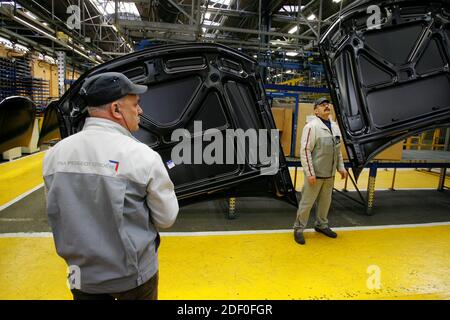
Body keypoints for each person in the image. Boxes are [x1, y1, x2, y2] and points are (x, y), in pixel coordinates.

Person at [43, 72, 179, 299]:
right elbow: (166, 219)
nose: (140, 111)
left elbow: (56, 213)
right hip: (132, 277)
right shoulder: (143, 157)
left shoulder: (54, 156)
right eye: (136, 104)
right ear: (116, 110)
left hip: (80, 276)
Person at [293, 97, 347, 245]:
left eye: (327, 104)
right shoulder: (311, 127)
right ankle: (298, 228)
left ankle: (321, 225)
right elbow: (305, 151)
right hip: (315, 175)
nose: (326, 106)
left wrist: (341, 168)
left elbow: (338, 150)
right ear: (316, 110)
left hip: (329, 175)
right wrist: (310, 173)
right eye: (322, 105)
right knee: (307, 203)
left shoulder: (334, 126)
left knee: (325, 202)